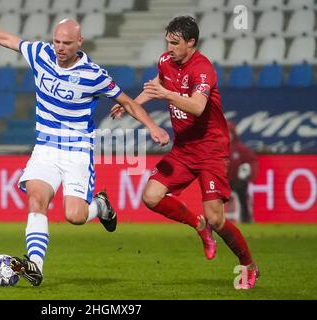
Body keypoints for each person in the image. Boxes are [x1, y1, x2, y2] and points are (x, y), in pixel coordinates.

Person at [0, 10, 169, 287]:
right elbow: (6, 38)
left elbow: (127, 101)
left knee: (75, 216)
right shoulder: (40, 54)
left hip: (76, 151)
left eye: (66, 43)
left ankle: (100, 206)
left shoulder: (93, 74)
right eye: (56, 42)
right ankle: (36, 267)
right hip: (45, 148)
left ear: (79, 42)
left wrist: (151, 126)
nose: (60, 48)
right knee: (36, 200)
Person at [111, 16, 259, 289]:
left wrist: (166, 94)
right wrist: (130, 104)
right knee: (151, 196)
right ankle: (198, 226)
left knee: (216, 217)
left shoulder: (203, 69)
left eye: (175, 42)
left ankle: (249, 265)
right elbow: (156, 85)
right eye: (167, 40)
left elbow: (198, 107)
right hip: (184, 149)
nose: (169, 46)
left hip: (211, 151)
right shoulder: (166, 61)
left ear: (191, 42)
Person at [227, 121, 258, 223]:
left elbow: (252, 162)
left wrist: (249, 175)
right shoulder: (218, 148)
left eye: (229, 133)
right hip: (224, 181)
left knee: (243, 199)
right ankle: (216, 221)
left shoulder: (241, 149)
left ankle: (246, 220)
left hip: (238, 182)